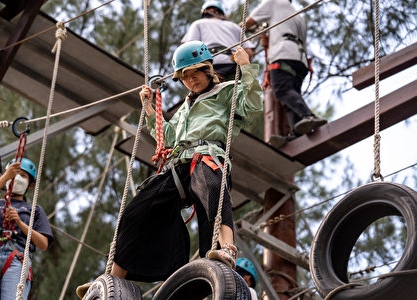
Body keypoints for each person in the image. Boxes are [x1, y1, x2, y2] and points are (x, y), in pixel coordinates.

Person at [113, 41, 262, 283]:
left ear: (208, 70)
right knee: (136, 211)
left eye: (196, 73)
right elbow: (169, 138)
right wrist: (149, 109)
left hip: (207, 157)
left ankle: (227, 250)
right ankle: (114, 279)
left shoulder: (226, 92)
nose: (192, 80)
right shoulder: (186, 106)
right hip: (179, 165)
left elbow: (253, 106)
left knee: (212, 192)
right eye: (185, 77)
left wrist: (246, 67)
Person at [242, 0, 327, 147]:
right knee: (289, 97)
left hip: (283, 54)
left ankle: (308, 116)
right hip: (300, 60)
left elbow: (248, 23)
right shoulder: (297, 15)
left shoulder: (274, 2)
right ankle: (296, 134)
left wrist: (235, 29)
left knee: (282, 91)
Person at [0, 158, 53, 300]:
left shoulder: (34, 211)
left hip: (17, 259)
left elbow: (43, 243)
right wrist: (5, 178)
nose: (18, 178)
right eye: (15, 174)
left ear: (31, 185)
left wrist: (20, 223)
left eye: (23, 176)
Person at [181, 0, 255, 81]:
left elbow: (190, 49)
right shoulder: (234, 26)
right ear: (222, 14)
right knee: (235, 91)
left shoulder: (198, 24)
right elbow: (249, 52)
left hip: (210, 67)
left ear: (204, 13)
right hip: (233, 67)